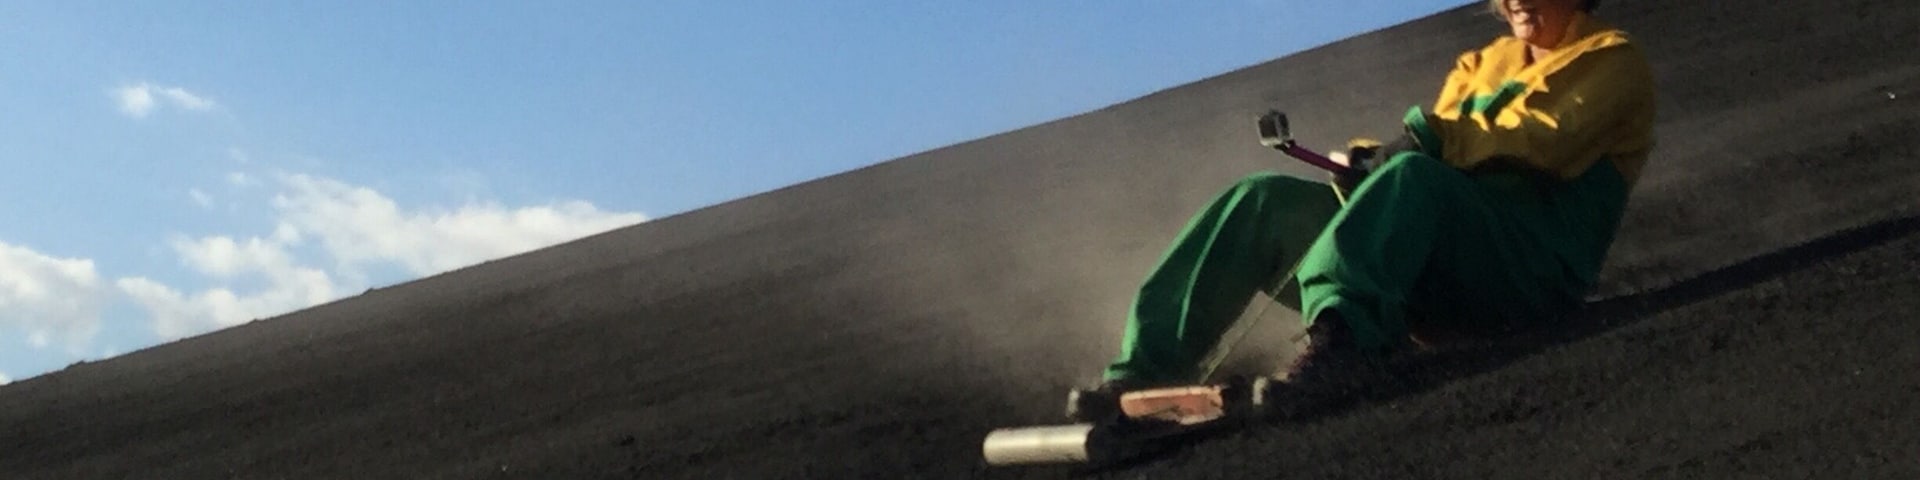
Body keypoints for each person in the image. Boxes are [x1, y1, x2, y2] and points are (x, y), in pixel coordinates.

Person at [1073, 0, 1657, 420]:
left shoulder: (1613, 60)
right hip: (1441, 271)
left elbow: (1538, 138)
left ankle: (1344, 345)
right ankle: (1147, 368)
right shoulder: (1479, 65)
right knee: (1263, 200)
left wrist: (1416, 146)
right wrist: (1365, 167)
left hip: (1528, 279)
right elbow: (1437, 150)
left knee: (1413, 175)